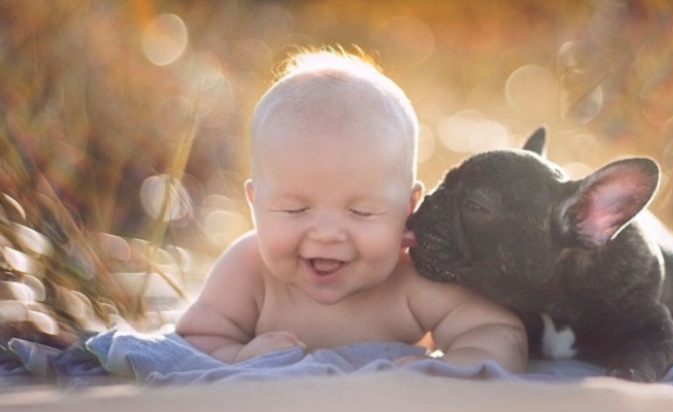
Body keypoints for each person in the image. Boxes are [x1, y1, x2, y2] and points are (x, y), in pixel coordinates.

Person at [175, 48, 527, 373]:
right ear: (256, 204)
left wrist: (453, 367)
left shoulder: (410, 279)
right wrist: (237, 357)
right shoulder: (248, 271)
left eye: (361, 212)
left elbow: (496, 331)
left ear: (408, 208)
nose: (327, 233)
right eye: (296, 209)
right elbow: (194, 341)